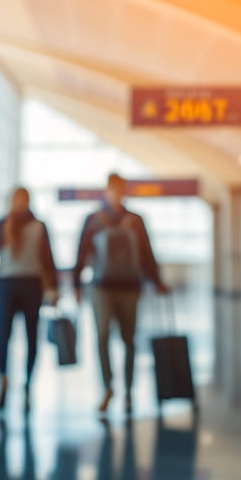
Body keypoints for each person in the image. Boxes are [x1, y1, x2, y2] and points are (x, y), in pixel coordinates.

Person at [73, 174, 168, 416]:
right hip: (101, 288)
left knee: (129, 339)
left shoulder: (135, 220)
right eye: (112, 190)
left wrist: (156, 280)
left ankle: (127, 391)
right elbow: (82, 252)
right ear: (106, 191)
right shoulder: (93, 220)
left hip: (129, 287)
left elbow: (146, 253)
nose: (116, 194)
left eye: (119, 190)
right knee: (102, 336)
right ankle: (107, 387)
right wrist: (75, 284)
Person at [0, 187, 58, 413]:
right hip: (7, 285)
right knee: (2, 336)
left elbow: (47, 260)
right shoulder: (2, 225)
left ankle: (27, 383)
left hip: (32, 285)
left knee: (32, 337)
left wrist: (52, 288)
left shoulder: (39, 227)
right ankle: (3, 378)